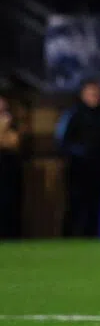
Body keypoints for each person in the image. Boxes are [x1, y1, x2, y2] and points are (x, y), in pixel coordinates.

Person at [56, 80, 100, 237]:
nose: (94, 97)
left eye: (97, 94)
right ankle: (69, 237)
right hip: (78, 168)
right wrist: (79, 153)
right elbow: (62, 141)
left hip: (98, 168)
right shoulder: (73, 114)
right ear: (82, 94)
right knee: (75, 204)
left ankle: (91, 237)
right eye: (91, 94)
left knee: (94, 205)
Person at [0, 97, 25, 239]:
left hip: (9, 173)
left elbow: (15, 143)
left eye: (4, 110)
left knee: (10, 207)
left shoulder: (14, 125)